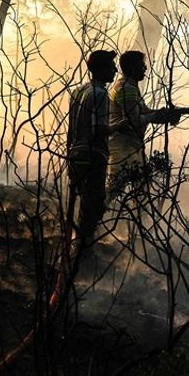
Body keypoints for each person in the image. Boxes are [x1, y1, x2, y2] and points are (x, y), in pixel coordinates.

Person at [107, 50, 189, 197]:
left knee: (142, 193)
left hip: (130, 147)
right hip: (123, 148)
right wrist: (158, 116)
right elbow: (134, 121)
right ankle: (90, 218)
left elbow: (144, 113)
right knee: (114, 190)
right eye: (142, 65)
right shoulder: (127, 89)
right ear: (132, 68)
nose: (145, 68)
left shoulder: (128, 86)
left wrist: (165, 115)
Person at [66, 50, 117, 248]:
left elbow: (71, 129)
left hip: (75, 153)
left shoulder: (78, 92)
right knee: (93, 205)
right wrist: (120, 125)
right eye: (110, 67)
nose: (114, 70)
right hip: (93, 155)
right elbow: (100, 130)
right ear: (101, 69)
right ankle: (83, 249)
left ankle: (76, 245)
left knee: (83, 203)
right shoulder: (101, 94)